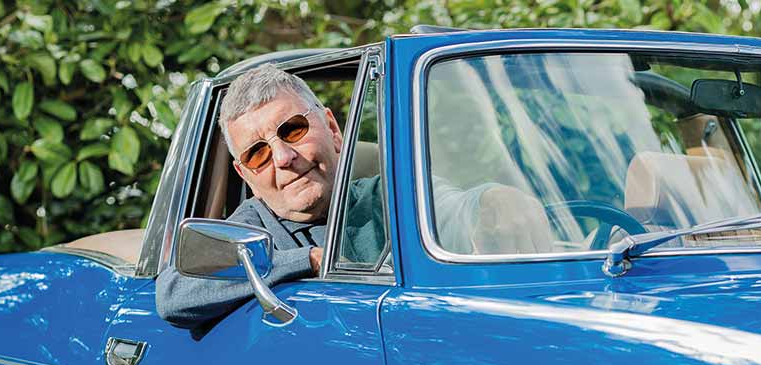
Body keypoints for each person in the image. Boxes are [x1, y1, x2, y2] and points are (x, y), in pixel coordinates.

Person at [156, 64, 550, 328]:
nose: (283, 158)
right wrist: (308, 260)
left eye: (292, 130)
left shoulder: (385, 196)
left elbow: (447, 207)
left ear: (332, 127)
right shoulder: (252, 226)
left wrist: (491, 199)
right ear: (245, 174)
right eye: (257, 153)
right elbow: (174, 292)